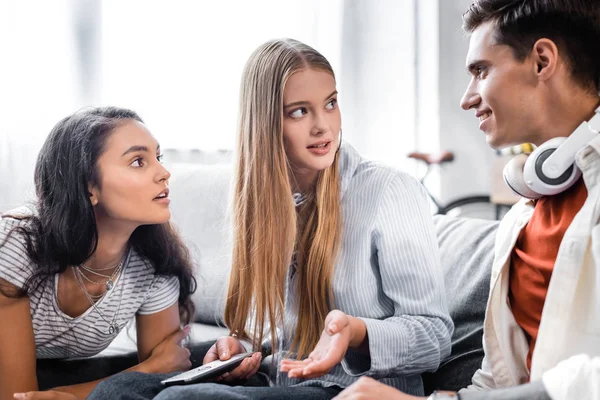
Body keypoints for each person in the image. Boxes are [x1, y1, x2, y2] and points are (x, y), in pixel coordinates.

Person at [88, 38, 453, 400]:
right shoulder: (259, 201)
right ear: (264, 123)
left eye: (330, 104)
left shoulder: (390, 189)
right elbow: (263, 331)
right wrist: (238, 347)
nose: (323, 126)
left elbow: (434, 337)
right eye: (299, 111)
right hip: (277, 379)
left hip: (352, 388)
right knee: (119, 390)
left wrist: (356, 332)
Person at [334, 1, 600, 399]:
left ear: (542, 61)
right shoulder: (523, 218)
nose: (467, 98)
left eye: (481, 71)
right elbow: (496, 381)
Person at [0, 107, 197, 400]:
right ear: (88, 186)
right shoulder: (17, 243)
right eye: (138, 161)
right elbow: (16, 397)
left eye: (159, 157)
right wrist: (146, 369)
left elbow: (163, 378)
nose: (164, 173)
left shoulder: (154, 264)